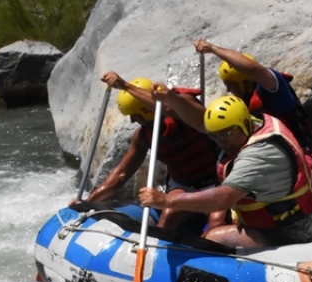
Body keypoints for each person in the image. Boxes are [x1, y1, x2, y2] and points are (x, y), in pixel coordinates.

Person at [139, 94, 312, 249]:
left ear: (243, 123)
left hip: (293, 231)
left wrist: (166, 200)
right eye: (215, 136)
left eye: (225, 134)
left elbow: (223, 199)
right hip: (275, 220)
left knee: (214, 238)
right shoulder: (253, 122)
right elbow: (201, 122)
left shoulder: (259, 154)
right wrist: (171, 97)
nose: (220, 141)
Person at [193, 40, 312, 211]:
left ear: (245, 83)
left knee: (299, 182)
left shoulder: (274, 88)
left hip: (300, 151)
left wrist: (213, 49)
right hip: (266, 153)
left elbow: (252, 69)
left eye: (231, 86)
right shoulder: (239, 105)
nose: (229, 91)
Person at [74, 73, 221, 230]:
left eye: (135, 115)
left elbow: (169, 107)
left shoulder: (182, 109)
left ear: (147, 110)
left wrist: (125, 85)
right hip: (183, 185)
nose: (132, 120)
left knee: (216, 219)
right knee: (169, 215)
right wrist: (88, 202)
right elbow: (121, 174)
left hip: (215, 181)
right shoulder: (143, 135)